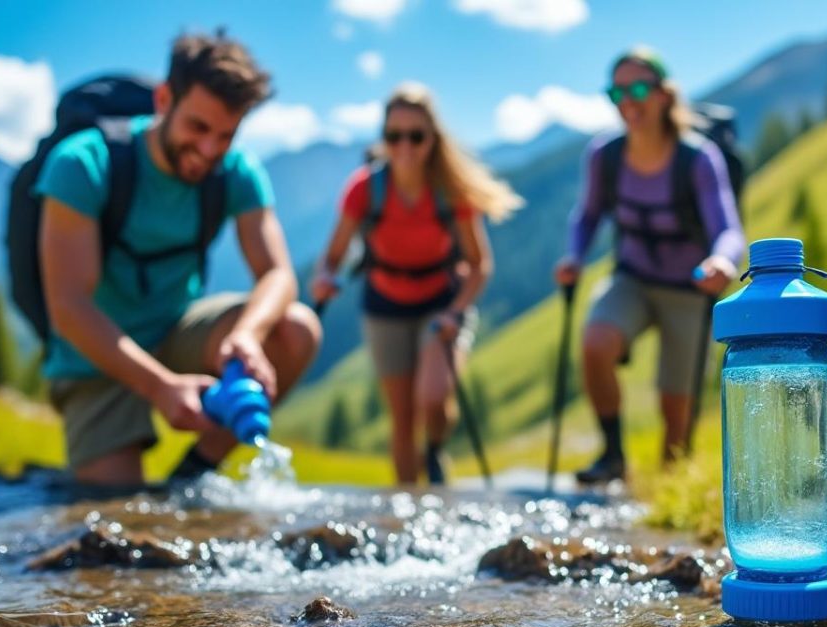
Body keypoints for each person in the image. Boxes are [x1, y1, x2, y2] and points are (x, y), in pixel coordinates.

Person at [37, 32, 320, 488]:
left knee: (296, 328)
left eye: (225, 135)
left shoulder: (236, 173)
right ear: (165, 99)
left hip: (177, 329)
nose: (209, 150)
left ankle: (192, 478)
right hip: (98, 355)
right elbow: (69, 308)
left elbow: (278, 274)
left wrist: (248, 335)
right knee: (115, 508)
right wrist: (159, 387)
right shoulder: (82, 165)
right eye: (198, 128)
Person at [310, 83, 521, 486]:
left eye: (416, 136)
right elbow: (332, 255)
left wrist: (455, 312)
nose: (405, 146)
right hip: (384, 307)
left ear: (432, 139)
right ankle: (406, 510)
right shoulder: (364, 189)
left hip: (441, 303)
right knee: (402, 419)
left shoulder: (450, 190)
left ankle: (436, 451)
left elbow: (479, 265)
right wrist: (324, 277)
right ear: (384, 139)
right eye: (394, 136)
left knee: (433, 399)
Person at [553, 47, 745, 484]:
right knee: (595, 341)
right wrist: (574, 257)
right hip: (633, 279)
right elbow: (587, 215)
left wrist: (721, 259)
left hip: (690, 288)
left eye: (638, 88)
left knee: (675, 413)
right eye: (617, 92)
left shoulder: (697, 158)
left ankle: (668, 488)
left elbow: (728, 227)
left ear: (663, 95)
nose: (628, 100)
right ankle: (613, 455)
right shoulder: (605, 155)